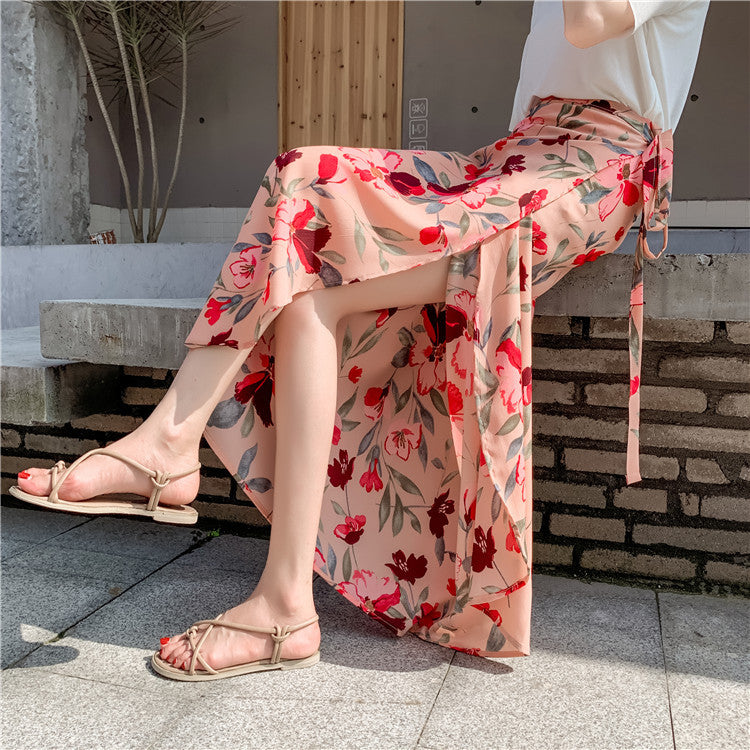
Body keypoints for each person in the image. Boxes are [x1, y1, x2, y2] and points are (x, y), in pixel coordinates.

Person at [10, 0, 710, 679]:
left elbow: (589, 23)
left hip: (597, 168)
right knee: (301, 185)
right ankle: (216, 507)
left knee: (312, 263)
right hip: (518, 154)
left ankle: (199, 491)